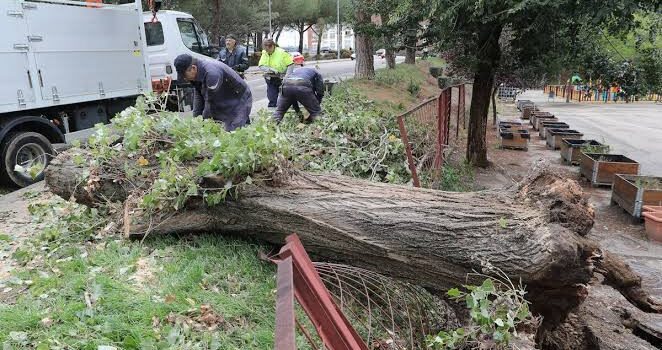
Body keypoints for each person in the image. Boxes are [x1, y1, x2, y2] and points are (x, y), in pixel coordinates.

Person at [174, 54, 252, 131]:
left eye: (185, 76)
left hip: (240, 98)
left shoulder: (212, 73)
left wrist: (204, 124)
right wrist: (196, 120)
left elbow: (210, 103)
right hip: (224, 96)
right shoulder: (195, 72)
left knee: (235, 130)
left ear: (193, 68)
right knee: (222, 126)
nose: (185, 79)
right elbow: (198, 95)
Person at [258, 39, 293, 108]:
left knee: (285, 97)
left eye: (268, 50)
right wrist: (270, 69)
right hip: (270, 79)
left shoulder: (282, 53)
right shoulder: (265, 52)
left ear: (272, 46)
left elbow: (291, 65)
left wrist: (287, 77)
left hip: (282, 78)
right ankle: (272, 112)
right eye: (265, 49)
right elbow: (261, 65)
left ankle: (284, 111)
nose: (267, 52)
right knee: (272, 97)